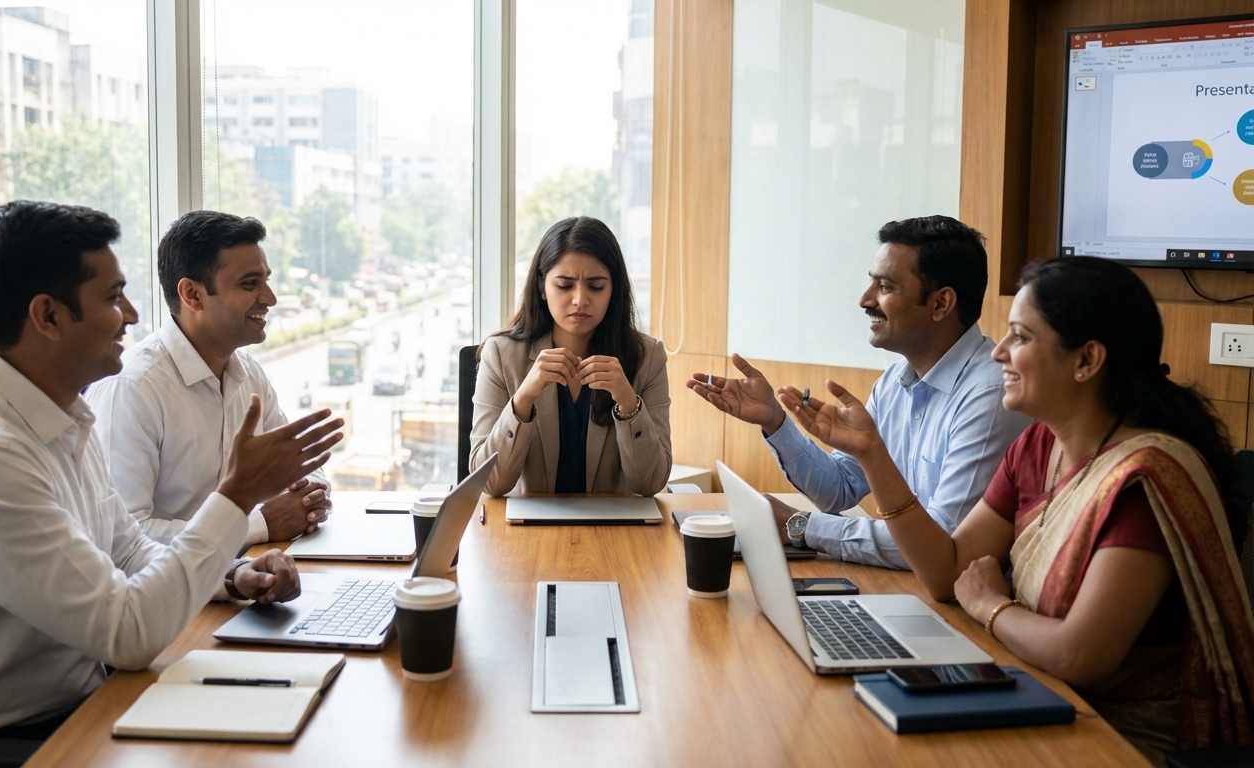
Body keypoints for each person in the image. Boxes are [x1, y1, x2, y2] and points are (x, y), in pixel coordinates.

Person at [0, 201, 343, 743]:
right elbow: (128, 633)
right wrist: (237, 498)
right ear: (48, 316)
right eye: (114, 297)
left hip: (77, 706)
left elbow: (130, 552)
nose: (135, 315)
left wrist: (232, 577)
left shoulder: (63, 416)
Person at [780, 256, 1254, 763]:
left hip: (1122, 736)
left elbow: (1079, 656)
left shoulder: (1141, 480)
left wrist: (990, 606)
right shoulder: (1036, 446)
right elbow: (945, 572)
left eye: (1021, 338)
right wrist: (872, 454)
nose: (1000, 352)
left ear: (1087, 360)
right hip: (1039, 692)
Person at [686, 216, 1031, 568]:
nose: (865, 300)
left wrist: (801, 527)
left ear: (941, 304)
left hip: (965, 608)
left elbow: (941, 542)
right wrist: (775, 421)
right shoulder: (896, 380)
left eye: (885, 287)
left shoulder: (991, 396)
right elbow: (840, 488)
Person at [88, 211, 333, 547]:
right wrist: (258, 525)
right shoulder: (132, 389)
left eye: (266, 280)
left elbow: (299, 467)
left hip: (241, 577)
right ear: (193, 295)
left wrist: (309, 497)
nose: (270, 298)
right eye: (250, 284)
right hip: (176, 597)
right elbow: (122, 538)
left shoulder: (248, 373)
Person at [470, 216, 670, 496]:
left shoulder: (648, 357)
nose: (580, 300)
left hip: (615, 534)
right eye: (564, 286)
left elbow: (650, 483)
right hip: (526, 534)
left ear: (614, 290)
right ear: (542, 287)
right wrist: (523, 398)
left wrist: (628, 401)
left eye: (596, 286)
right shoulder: (501, 354)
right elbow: (489, 484)